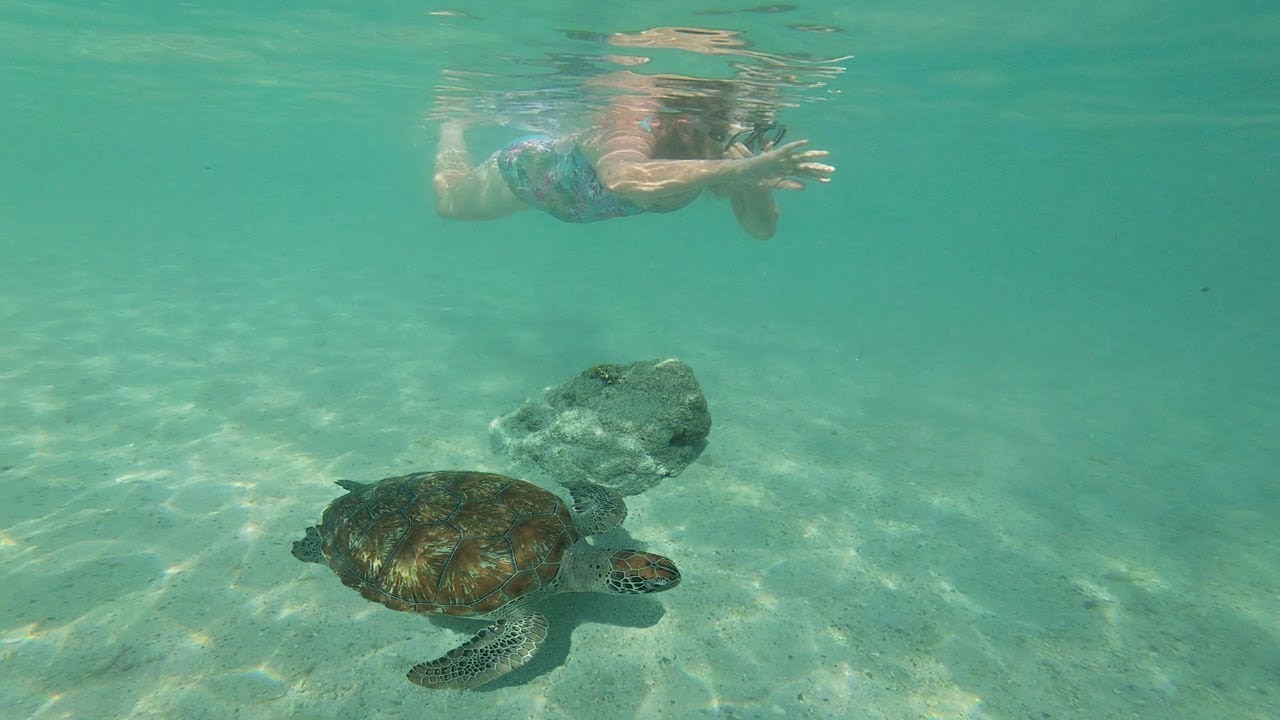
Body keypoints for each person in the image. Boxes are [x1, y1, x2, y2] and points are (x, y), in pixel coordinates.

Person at [431, 76, 835, 240]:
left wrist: (754, 186)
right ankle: (452, 125)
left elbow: (760, 231)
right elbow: (622, 179)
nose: (744, 137)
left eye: (757, 129)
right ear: (689, 121)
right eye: (730, 125)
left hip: (569, 202)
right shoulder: (637, 126)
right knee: (448, 204)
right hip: (526, 176)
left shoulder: (723, 156)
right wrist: (742, 168)